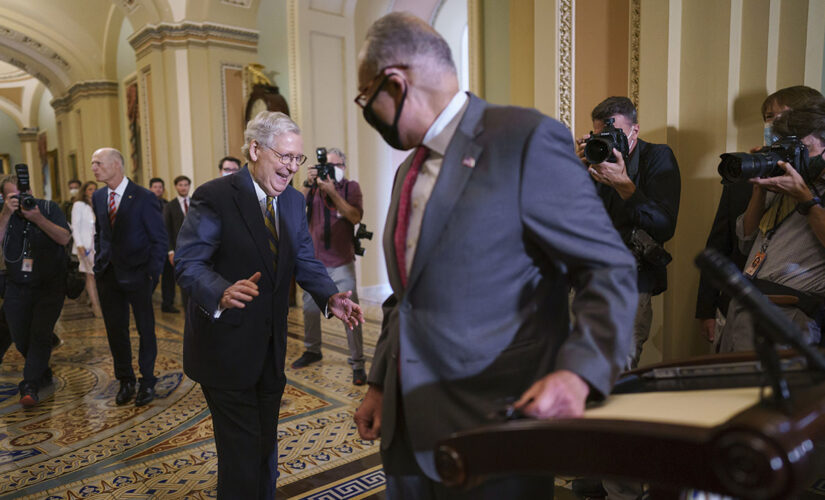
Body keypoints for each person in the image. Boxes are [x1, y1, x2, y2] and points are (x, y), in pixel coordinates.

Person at [352, 13, 638, 498]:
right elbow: (408, 294)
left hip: (494, 424)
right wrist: (380, 383)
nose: (367, 111)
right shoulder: (408, 170)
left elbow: (607, 266)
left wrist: (577, 372)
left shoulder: (523, 139)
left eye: (366, 98)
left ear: (395, 84)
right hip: (405, 425)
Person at [175, 111, 364, 499]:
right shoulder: (216, 196)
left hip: (270, 350)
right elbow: (190, 263)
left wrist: (330, 296)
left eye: (298, 159)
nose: (292, 168)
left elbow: (305, 259)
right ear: (256, 149)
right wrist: (221, 291)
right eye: (285, 157)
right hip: (224, 350)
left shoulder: (294, 201)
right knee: (241, 453)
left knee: (265, 449)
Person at [696, 86, 825, 344]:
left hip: (789, 313)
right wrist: (758, 186)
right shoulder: (781, 179)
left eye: (805, 147)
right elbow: (744, 240)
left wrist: (805, 198)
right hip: (744, 305)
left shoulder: (809, 187)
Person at [575, 96, 681, 370]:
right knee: (580, 366)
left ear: (635, 129)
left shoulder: (656, 157)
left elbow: (664, 226)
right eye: (602, 135)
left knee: (617, 369)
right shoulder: (591, 163)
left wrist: (625, 187)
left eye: (616, 135)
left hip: (631, 280)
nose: (608, 142)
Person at [91, 148, 167, 406]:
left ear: (116, 165)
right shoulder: (99, 196)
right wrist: (98, 260)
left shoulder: (144, 197)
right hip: (108, 274)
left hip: (139, 274)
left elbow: (159, 240)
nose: (94, 168)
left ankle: (147, 381)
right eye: (93, 163)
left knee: (146, 330)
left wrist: (151, 275)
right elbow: (101, 232)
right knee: (115, 331)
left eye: (98, 163)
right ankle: (126, 380)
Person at [292, 147, 367, 385]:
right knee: (310, 310)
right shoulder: (312, 188)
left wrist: (333, 193)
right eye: (326, 166)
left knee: (349, 311)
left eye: (334, 166)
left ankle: (357, 362)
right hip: (315, 263)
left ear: (343, 168)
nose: (329, 171)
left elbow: (354, 216)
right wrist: (307, 182)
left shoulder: (351, 187)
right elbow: (293, 209)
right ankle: (312, 349)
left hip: (342, 262)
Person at [0, 173, 71, 407]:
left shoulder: (49, 208)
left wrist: (38, 218)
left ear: (30, 190)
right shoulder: (4, 214)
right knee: (21, 338)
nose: (21, 199)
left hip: (50, 285)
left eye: (23, 193)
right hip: (16, 286)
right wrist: (6, 214)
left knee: (40, 334)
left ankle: (29, 385)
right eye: (13, 196)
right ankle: (41, 369)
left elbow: (63, 238)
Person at [71, 180, 102, 318]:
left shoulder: (98, 204)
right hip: (85, 245)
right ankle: (96, 306)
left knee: (98, 275)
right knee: (90, 275)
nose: (93, 192)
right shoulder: (79, 205)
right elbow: (75, 226)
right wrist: (79, 244)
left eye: (95, 189)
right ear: (84, 191)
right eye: (90, 189)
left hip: (99, 245)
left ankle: (97, 302)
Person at [150, 177, 178, 313]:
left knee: (169, 277)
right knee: (152, 277)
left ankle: (167, 303)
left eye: (160, 187)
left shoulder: (168, 205)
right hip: (151, 247)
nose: (158, 189)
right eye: (155, 187)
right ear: (150, 188)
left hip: (165, 245)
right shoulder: (145, 204)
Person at [163, 175, 191, 311]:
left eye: (186, 185)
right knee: (184, 282)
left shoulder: (196, 202)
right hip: (179, 251)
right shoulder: (170, 206)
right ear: (176, 187)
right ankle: (187, 311)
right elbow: (166, 231)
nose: (183, 187)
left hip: (196, 249)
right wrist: (170, 251)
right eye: (181, 185)